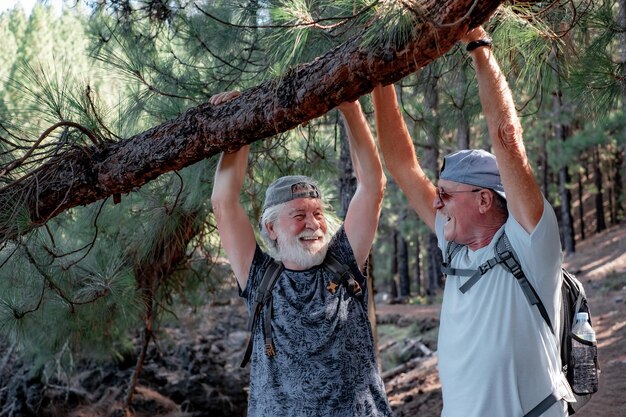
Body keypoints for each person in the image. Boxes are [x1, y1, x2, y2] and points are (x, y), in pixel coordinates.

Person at [371, 26, 571, 417]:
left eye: (445, 194)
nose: (436, 202)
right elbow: (400, 163)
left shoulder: (529, 242)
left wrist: (479, 47)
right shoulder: (456, 248)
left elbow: (506, 138)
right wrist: (381, 76)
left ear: (483, 200)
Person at [210, 91, 393, 417]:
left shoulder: (343, 263)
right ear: (272, 228)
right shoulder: (259, 276)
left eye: (318, 213)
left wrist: (350, 108)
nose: (313, 224)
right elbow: (224, 203)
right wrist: (236, 128)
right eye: (298, 216)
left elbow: (372, 186)